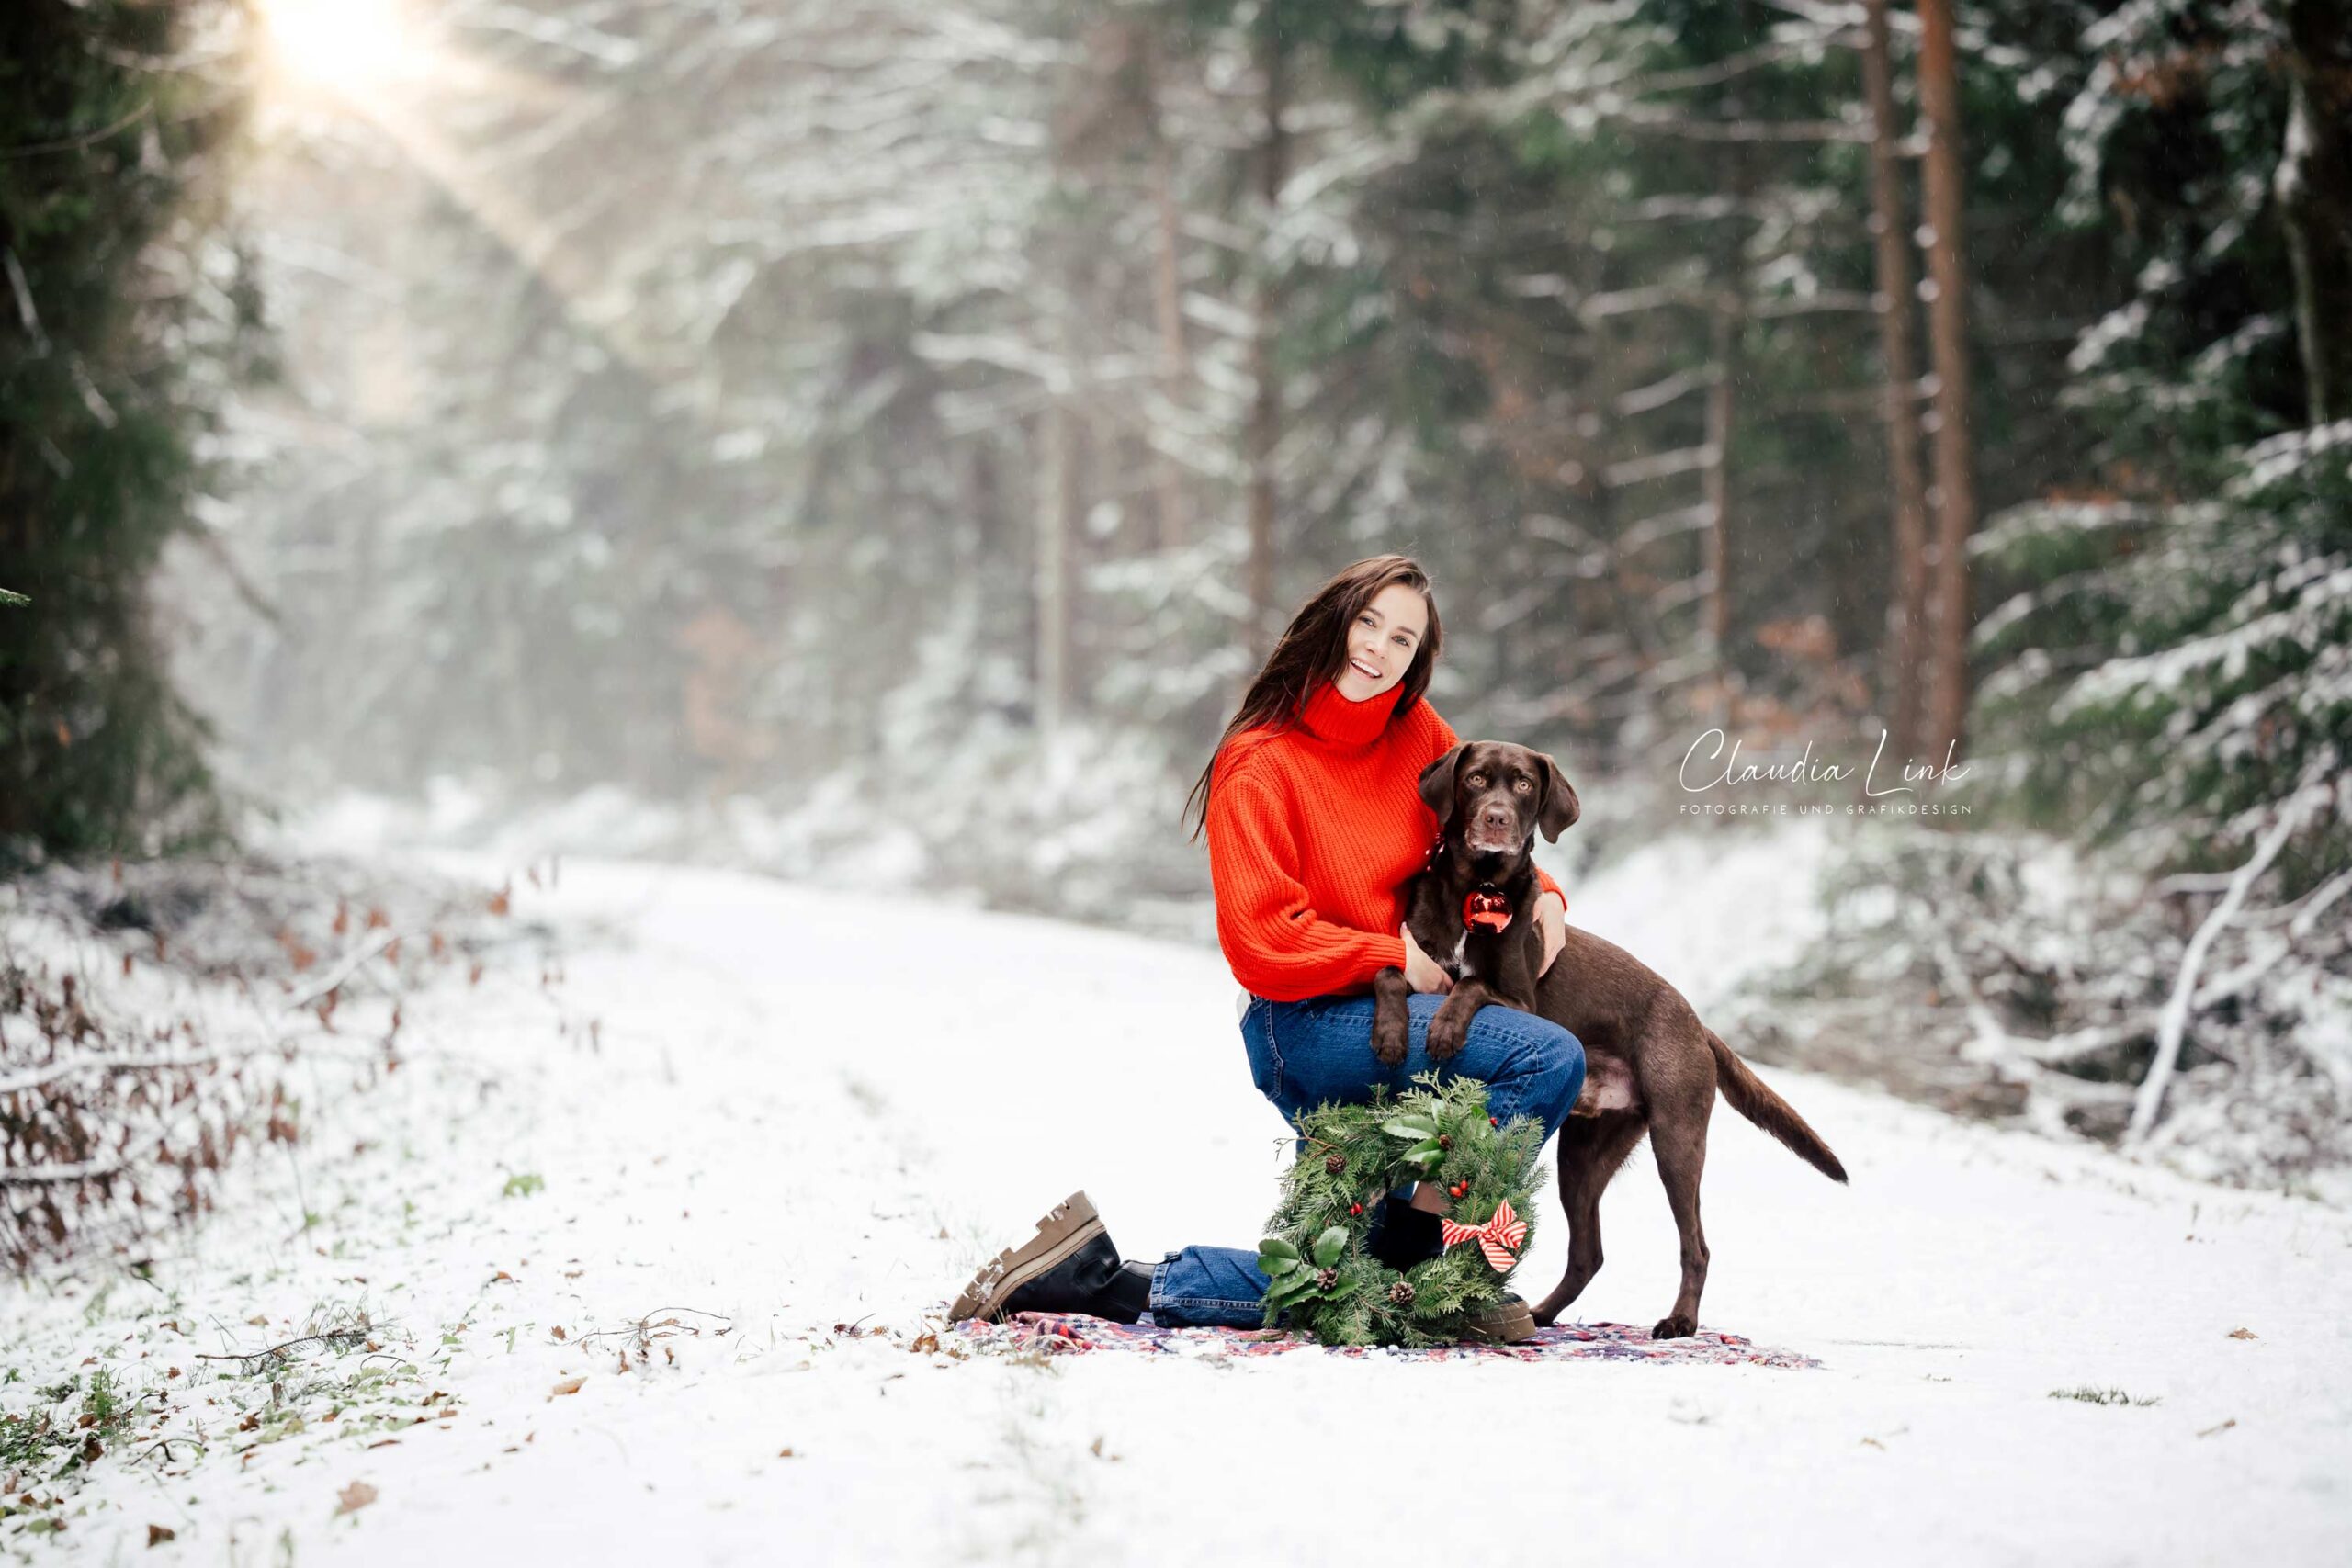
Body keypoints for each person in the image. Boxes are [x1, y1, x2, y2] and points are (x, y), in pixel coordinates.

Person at [947, 555, 1588, 1338]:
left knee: (1354, 1270)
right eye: (1368, 623)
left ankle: (1105, 1280)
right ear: (1335, 621)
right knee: (1547, 1056)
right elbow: (1260, 941)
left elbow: (1478, 831)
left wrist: (1545, 892)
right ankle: (1445, 1274)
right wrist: (1389, 956)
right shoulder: (1260, 761)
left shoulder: (1417, 731)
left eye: (1403, 638)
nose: (1379, 650)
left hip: (1400, 1015)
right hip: (1306, 1025)